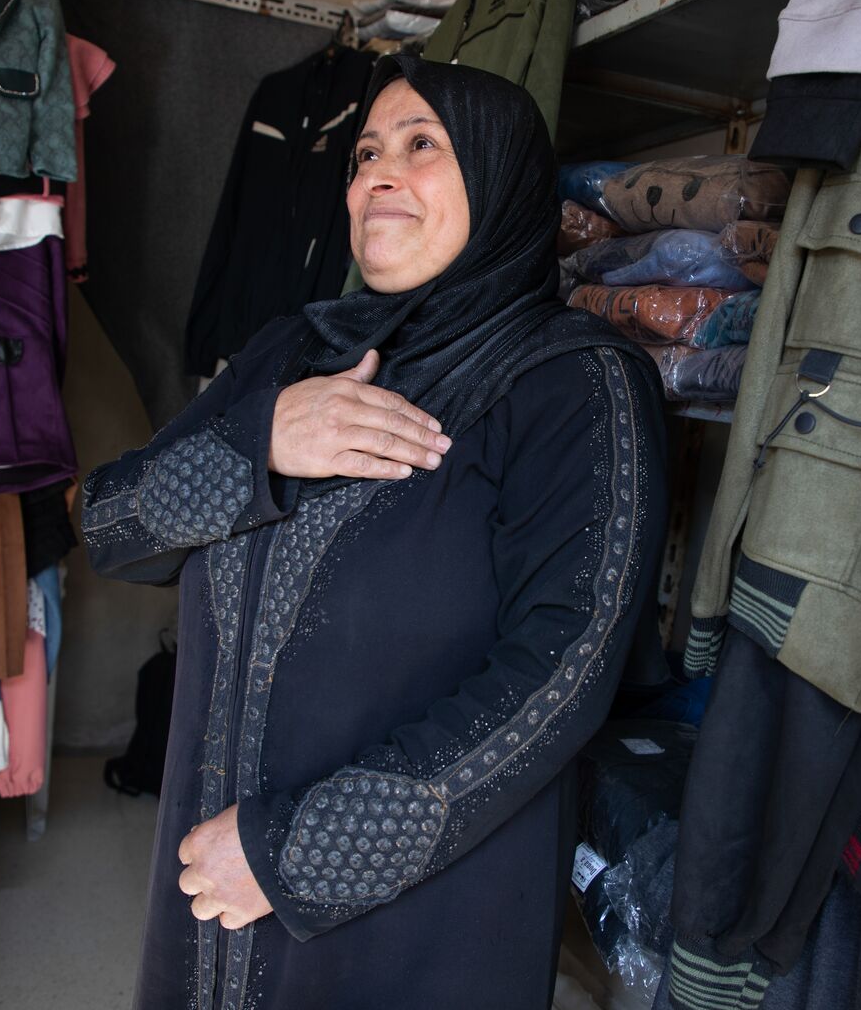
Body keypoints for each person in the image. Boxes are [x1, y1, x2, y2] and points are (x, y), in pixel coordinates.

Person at [82, 54, 668, 1010]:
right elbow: (110, 525)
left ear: (502, 178)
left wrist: (295, 853)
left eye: (421, 145)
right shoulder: (292, 351)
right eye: (364, 154)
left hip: (409, 916)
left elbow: (564, 672)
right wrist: (261, 443)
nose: (376, 176)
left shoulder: (574, 381)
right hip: (211, 880)